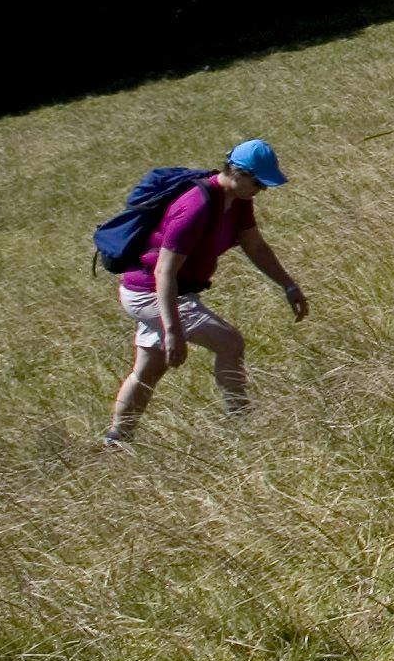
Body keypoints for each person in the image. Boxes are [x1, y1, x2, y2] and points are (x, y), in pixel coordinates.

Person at [106, 138, 307, 441]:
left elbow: (255, 247)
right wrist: (173, 330)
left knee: (149, 370)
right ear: (237, 172)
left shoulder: (238, 202)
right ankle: (242, 422)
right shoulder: (195, 206)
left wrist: (288, 285)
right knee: (230, 343)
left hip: (167, 291)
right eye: (258, 183)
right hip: (151, 292)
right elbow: (164, 272)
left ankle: (116, 440)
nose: (262, 190)